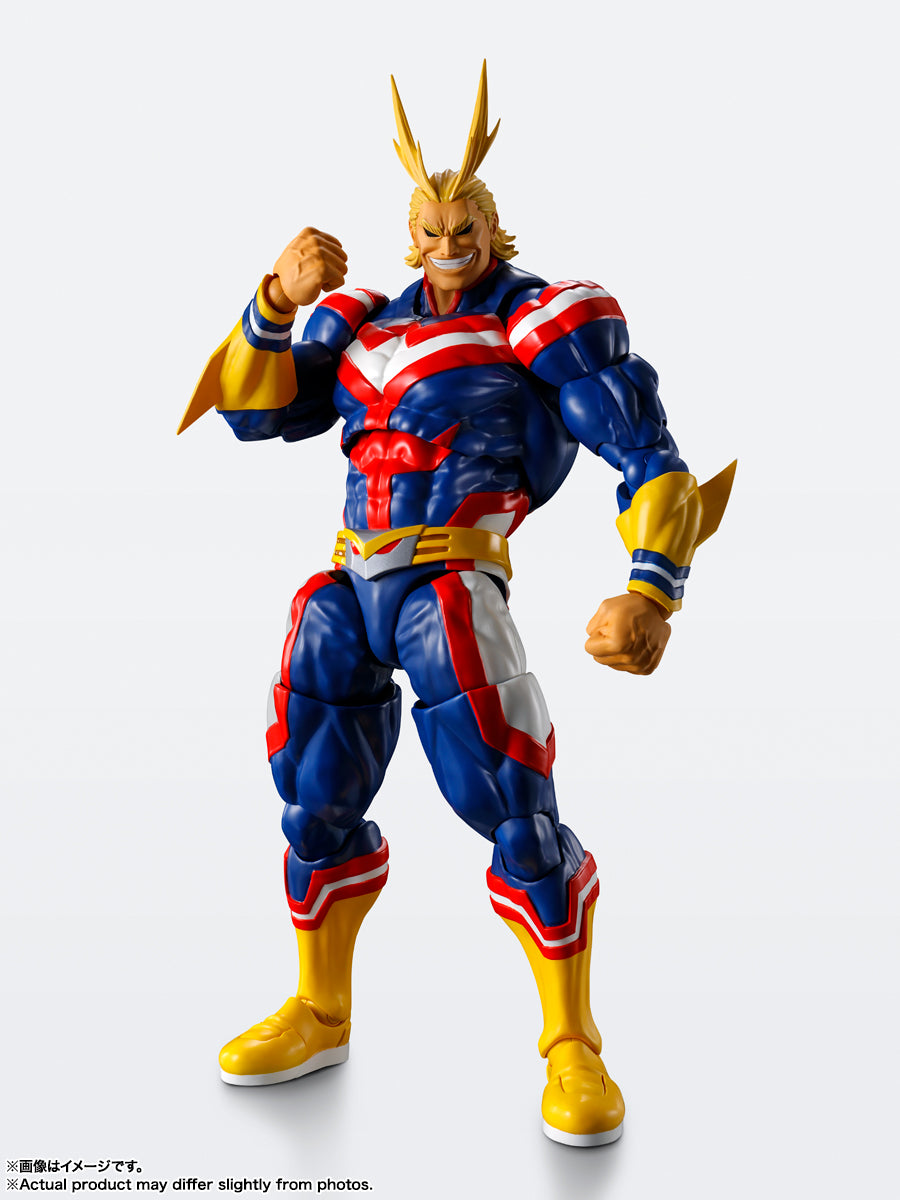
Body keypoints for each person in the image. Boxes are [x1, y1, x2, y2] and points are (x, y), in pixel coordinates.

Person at [179, 64, 733, 1146]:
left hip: (451, 581)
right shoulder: (359, 324)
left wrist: (652, 589)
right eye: (429, 227)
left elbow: (646, 451)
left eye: (463, 223)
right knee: (312, 798)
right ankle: (321, 1009)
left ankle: (571, 1043)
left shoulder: (542, 318)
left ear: (491, 225)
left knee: (514, 803)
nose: (446, 240)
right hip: (348, 579)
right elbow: (252, 414)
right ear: (409, 235)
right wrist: (275, 300)